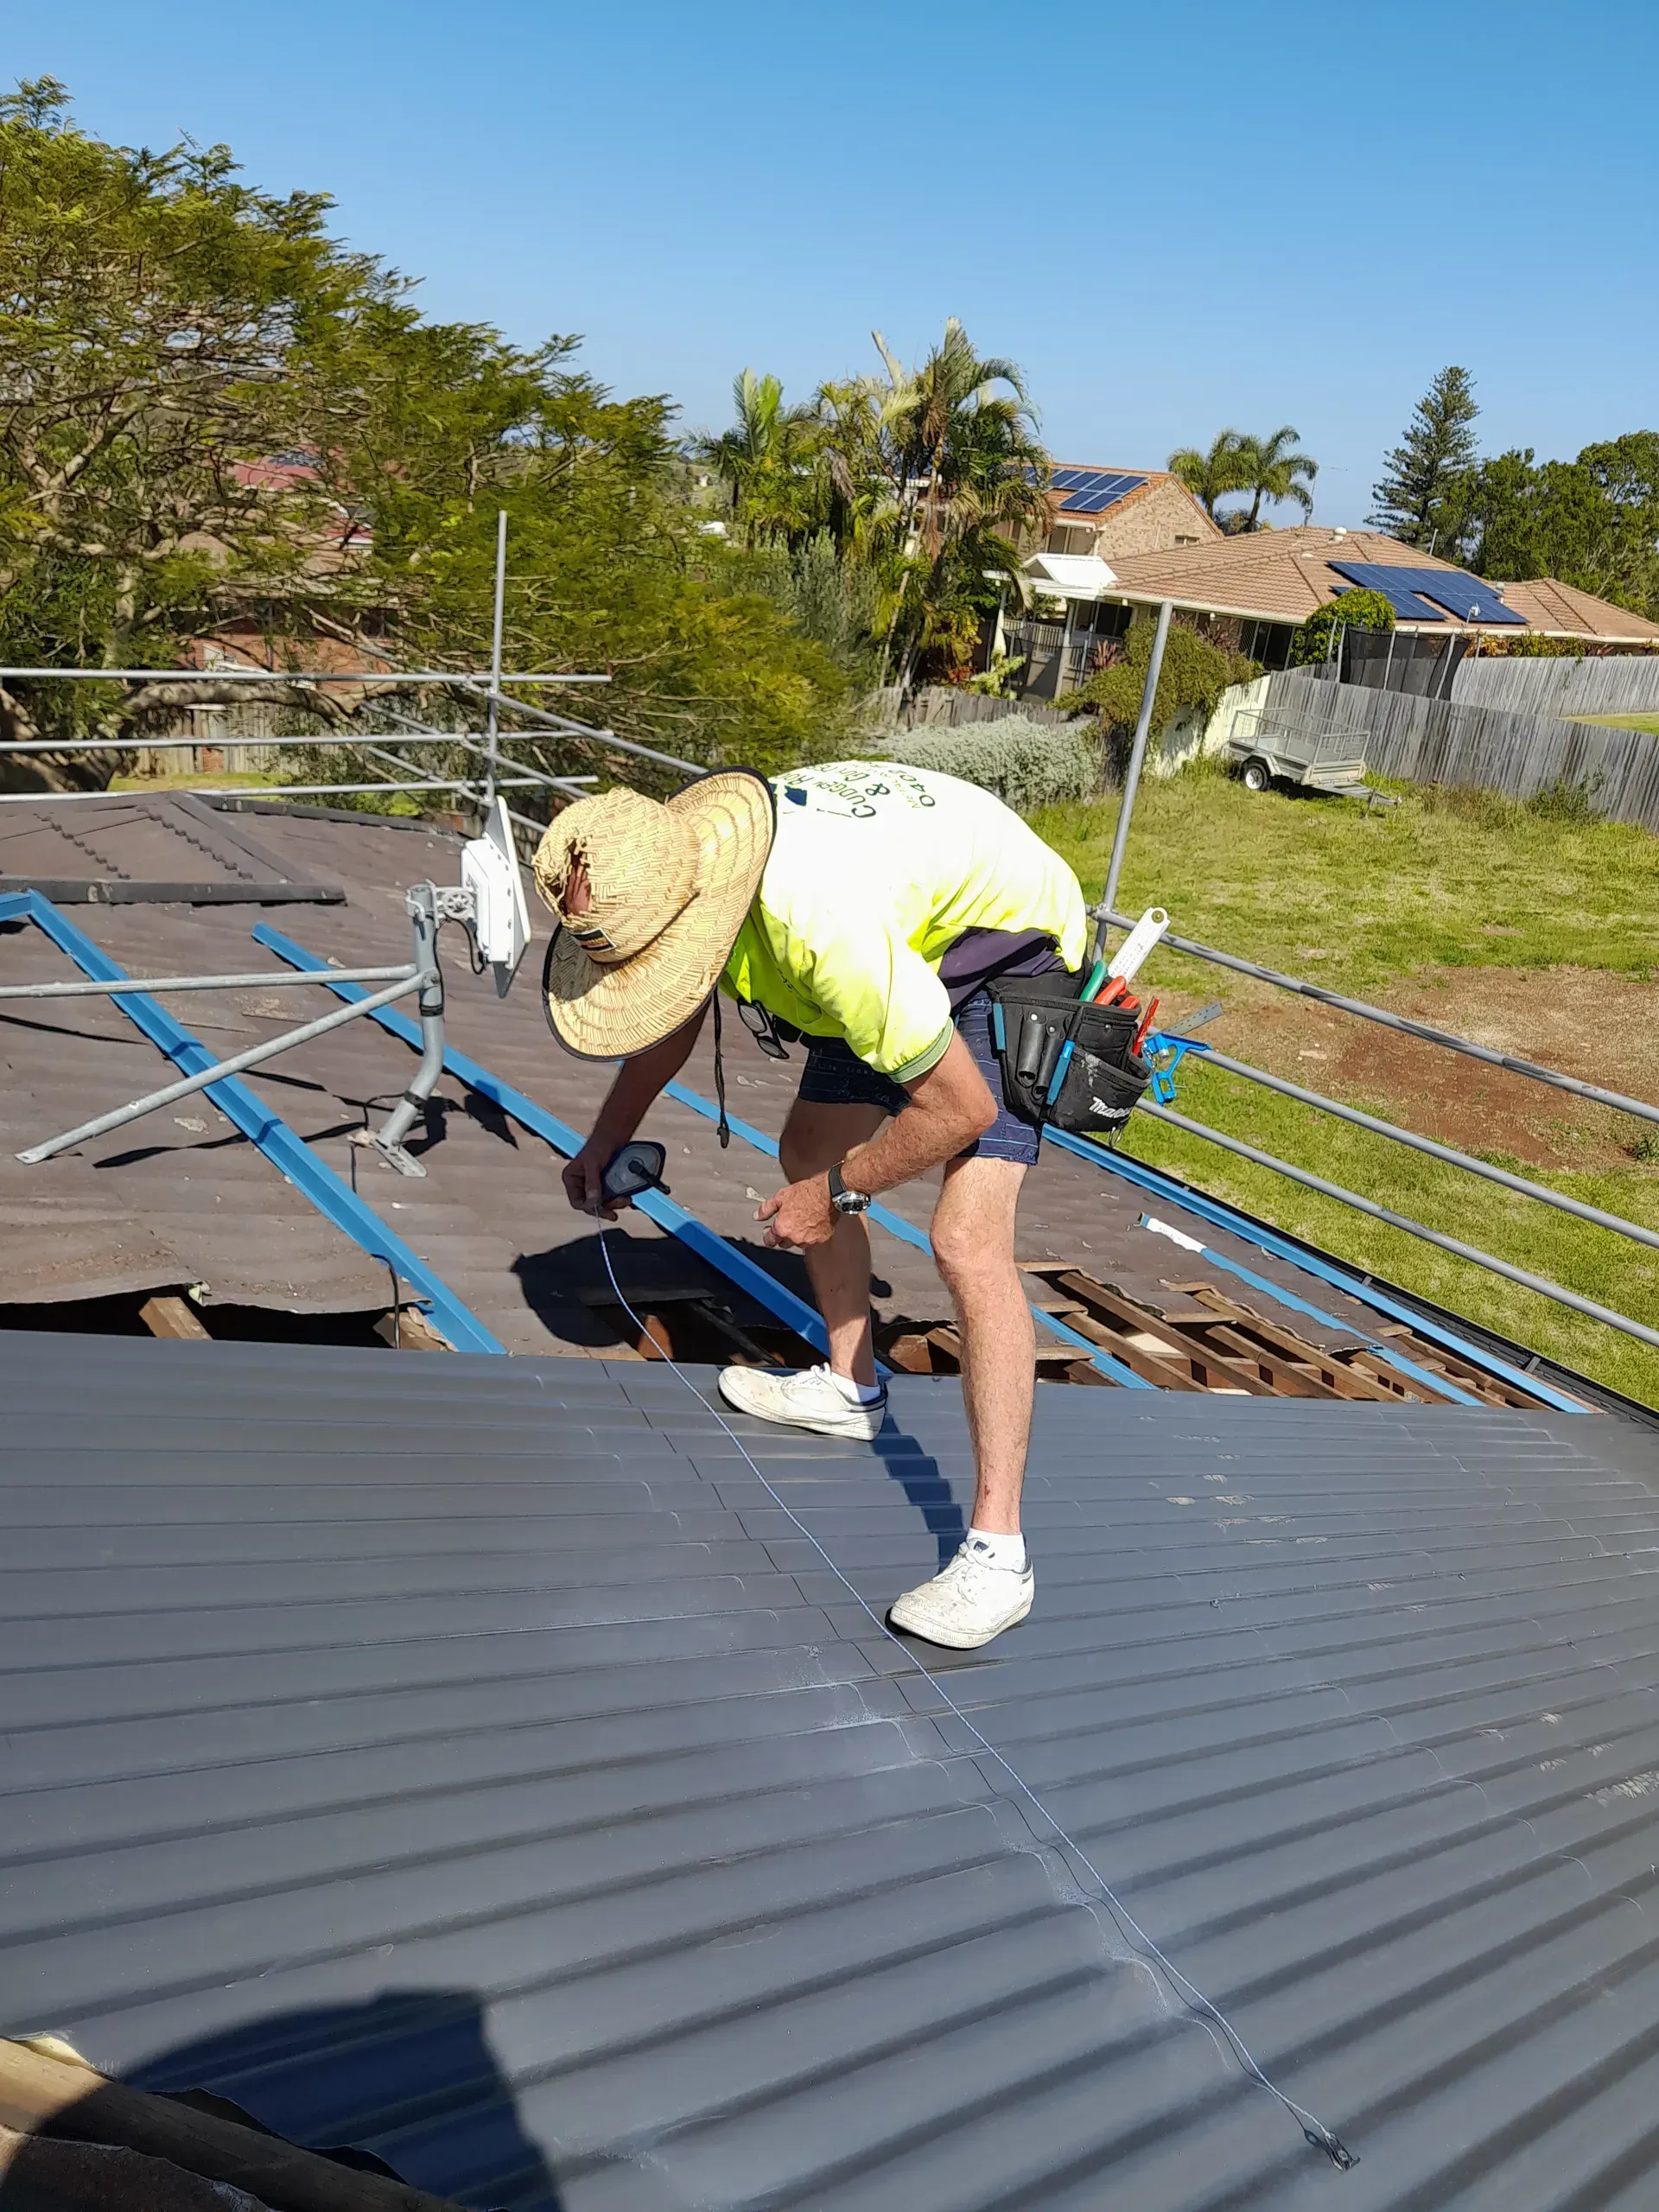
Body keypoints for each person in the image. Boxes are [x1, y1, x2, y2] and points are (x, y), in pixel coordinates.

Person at [538, 759, 1087, 1650]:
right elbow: (677, 1003)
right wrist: (604, 1140)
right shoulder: (690, 867)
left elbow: (963, 1109)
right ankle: (851, 1384)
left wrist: (838, 1195)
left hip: (1008, 953)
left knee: (966, 1240)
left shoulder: (819, 927)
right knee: (806, 1146)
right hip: (909, 936)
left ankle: (999, 1555)